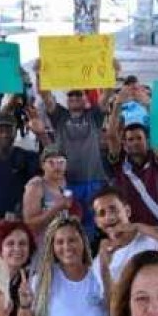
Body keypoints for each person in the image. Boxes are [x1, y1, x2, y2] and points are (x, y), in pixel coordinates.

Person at [93, 185, 158, 293]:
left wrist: (140, 227)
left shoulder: (151, 239)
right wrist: (104, 268)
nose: (109, 217)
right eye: (102, 213)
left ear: (127, 211)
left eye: (113, 209)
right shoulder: (99, 262)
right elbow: (109, 304)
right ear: (97, 222)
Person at [38, 86, 108, 224]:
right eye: (71, 95)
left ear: (85, 99)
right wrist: (41, 74)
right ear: (67, 99)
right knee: (67, 223)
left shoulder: (94, 115)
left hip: (93, 181)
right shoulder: (59, 116)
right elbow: (46, 96)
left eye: (78, 94)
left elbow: (107, 95)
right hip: (66, 182)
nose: (74, 97)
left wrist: (113, 73)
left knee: (96, 224)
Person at [104, 119, 158, 230]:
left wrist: (148, 105)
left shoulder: (154, 160)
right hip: (129, 228)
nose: (135, 142)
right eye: (130, 139)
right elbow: (112, 136)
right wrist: (117, 104)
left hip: (156, 228)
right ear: (125, 144)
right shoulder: (120, 162)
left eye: (139, 138)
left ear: (147, 141)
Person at [21, 146, 77, 235]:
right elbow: (29, 224)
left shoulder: (68, 183)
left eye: (61, 162)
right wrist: (57, 208)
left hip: (63, 242)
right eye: (51, 162)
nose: (57, 167)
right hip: (43, 243)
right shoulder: (36, 185)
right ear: (42, 165)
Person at [0, 221, 35, 316]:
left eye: (22, 244)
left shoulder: (32, 281)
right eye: (10, 244)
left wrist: (24, 306)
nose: (17, 249)